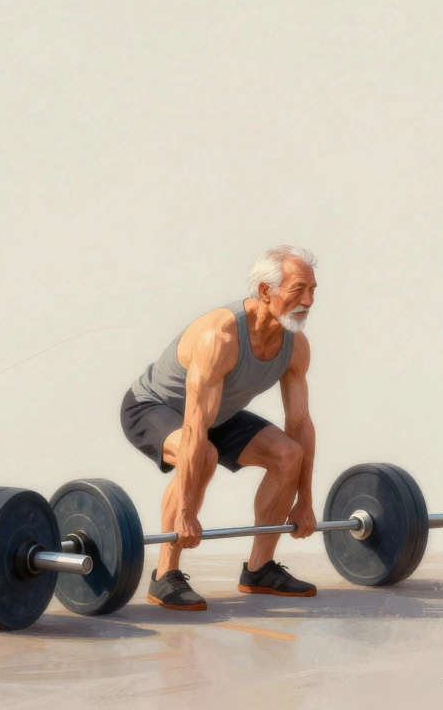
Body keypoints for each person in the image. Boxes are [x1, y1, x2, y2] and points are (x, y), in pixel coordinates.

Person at [121, 245, 319, 611]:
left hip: (219, 415)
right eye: (298, 290)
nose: (308, 300)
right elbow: (195, 427)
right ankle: (165, 574)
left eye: (312, 290)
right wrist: (185, 513)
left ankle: (259, 570)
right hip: (154, 407)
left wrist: (305, 501)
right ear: (265, 291)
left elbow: (299, 423)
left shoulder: (295, 346)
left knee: (288, 455)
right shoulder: (220, 337)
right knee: (203, 454)